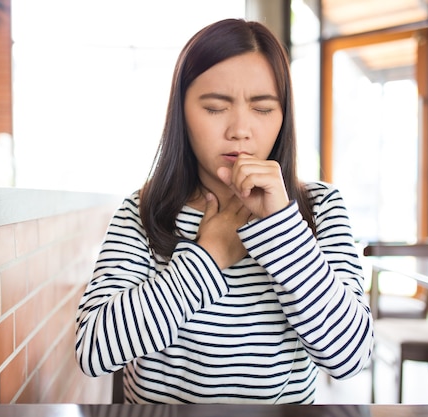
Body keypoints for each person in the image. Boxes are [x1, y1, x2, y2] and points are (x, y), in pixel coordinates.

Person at [75, 18, 373, 404]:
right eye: (216, 108)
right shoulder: (143, 211)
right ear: (182, 112)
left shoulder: (319, 208)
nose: (240, 129)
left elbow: (350, 357)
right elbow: (94, 351)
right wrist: (209, 255)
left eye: (263, 109)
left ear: (283, 118)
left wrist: (283, 228)